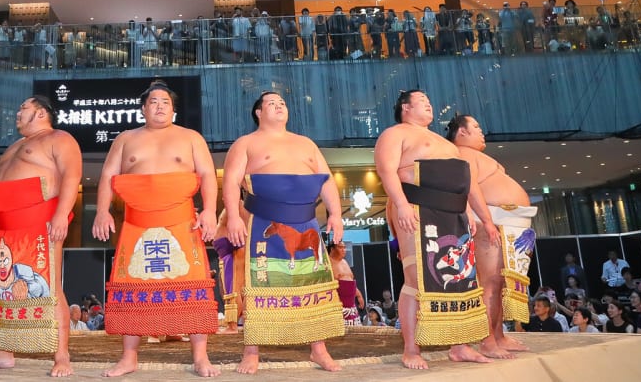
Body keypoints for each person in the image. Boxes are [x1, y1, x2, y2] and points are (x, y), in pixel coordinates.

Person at [92, 80, 219, 378]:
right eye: (153, 102)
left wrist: (211, 210)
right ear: (143, 108)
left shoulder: (190, 137)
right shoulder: (125, 138)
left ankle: (200, 356)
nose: (159, 106)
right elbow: (108, 175)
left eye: (165, 102)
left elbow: (206, 174)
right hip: (136, 222)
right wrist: (101, 211)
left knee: (192, 286)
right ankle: (129, 357)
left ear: (173, 109)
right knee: (132, 285)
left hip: (181, 221)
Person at [220, 91, 344, 374]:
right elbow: (230, 182)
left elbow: (325, 181)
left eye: (282, 103)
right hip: (264, 222)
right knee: (260, 283)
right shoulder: (246, 143)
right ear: (258, 113)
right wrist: (233, 219)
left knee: (312, 283)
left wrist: (335, 214)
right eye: (271, 104)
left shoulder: (306, 144)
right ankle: (252, 351)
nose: (278, 107)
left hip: (306, 221)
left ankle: (319, 349)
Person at [374, 90, 499, 370]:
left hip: (453, 213)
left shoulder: (446, 144)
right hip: (417, 207)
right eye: (422, 100)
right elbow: (386, 170)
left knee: (459, 280)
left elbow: (468, 184)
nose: (429, 103)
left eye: (430, 100)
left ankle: (460, 346)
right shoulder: (395, 134)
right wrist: (401, 204)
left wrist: (483, 218)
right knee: (416, 277)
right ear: (405, 107)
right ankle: (410, 348)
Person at [0, 95, 81, 378]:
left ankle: (62, 354)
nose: (17, 112)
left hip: (40, 221)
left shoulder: (60, 138)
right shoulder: (15, 146)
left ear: (41, 112)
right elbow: (0, 186)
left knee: (50, 287)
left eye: (24, 108)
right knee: (2, 289)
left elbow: (71, 176)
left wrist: (61, 214)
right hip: (6, 227)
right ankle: (3, 352)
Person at [447, 114, 536, 359]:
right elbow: (463, 187)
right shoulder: (461, 153)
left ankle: (498, 335)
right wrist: (482, 221)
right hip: (490, 220)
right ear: (461, 132)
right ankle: (487, 340)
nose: (481, 131)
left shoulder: (478, 156)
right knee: (490, 283)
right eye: (475, 127)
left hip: (511, 222)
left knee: (501, 284)